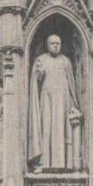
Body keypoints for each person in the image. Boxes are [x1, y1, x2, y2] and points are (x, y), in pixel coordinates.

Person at [28, 35, 82, 170]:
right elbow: (36, 82)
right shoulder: (41, 60)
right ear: (47, 45)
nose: (56, 46)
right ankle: (44, 162)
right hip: (46, 99)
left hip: (63, 100)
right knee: (46, 128)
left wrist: (74, 103)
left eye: (58, 43)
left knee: (62, 129)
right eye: (53, 43)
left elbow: (71, 83)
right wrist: (39, 74)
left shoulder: (65, 61)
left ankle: (63, 164)